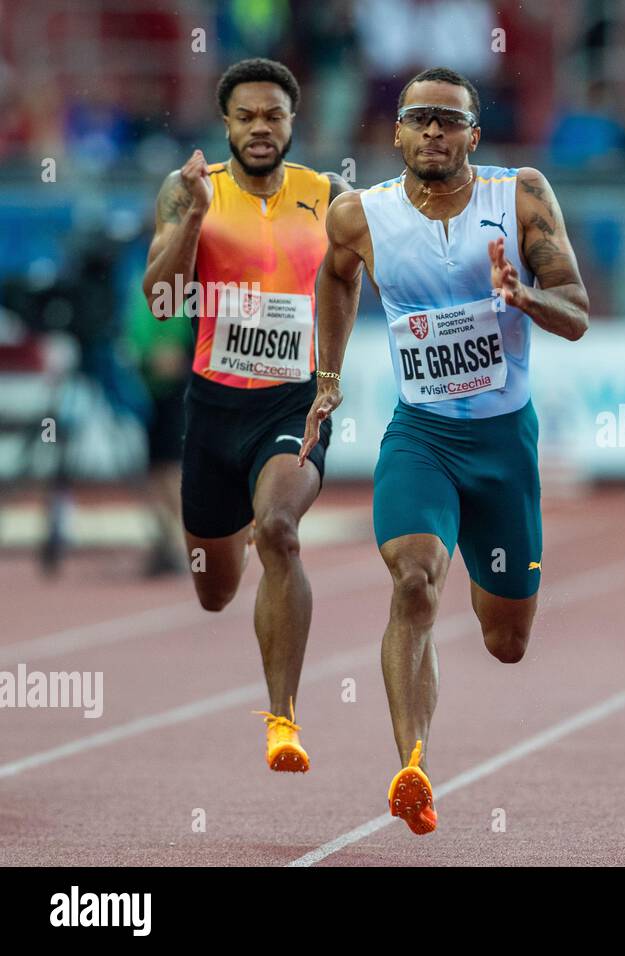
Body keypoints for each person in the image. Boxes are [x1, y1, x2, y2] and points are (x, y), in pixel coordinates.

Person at [300, 66, 589, 834]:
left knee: (506, 643)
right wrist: (326, 377)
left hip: (502, 445)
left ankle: (489, 593)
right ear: (394, 131)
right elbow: (333, 280)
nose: (433, 130)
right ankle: (413, 768)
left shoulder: (520, 195)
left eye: (449, 119)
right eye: (418, 117)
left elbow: (578, 313)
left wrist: (523, 297)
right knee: (416, 581)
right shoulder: (358, 214)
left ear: (473, 134)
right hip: (421, 436)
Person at [141, 58, 349, 773]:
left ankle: (283, 720)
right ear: (226, 122)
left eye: (274, 116)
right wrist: (194, 219)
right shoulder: (188, 190)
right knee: (214, 590)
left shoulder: (330, 197)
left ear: (294, 122)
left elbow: (382, 280)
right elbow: (161, 299)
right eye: (247, 116)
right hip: (214, 408)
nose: (261, 128)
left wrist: (330, 375)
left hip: (294, 405)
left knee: (281, 533)